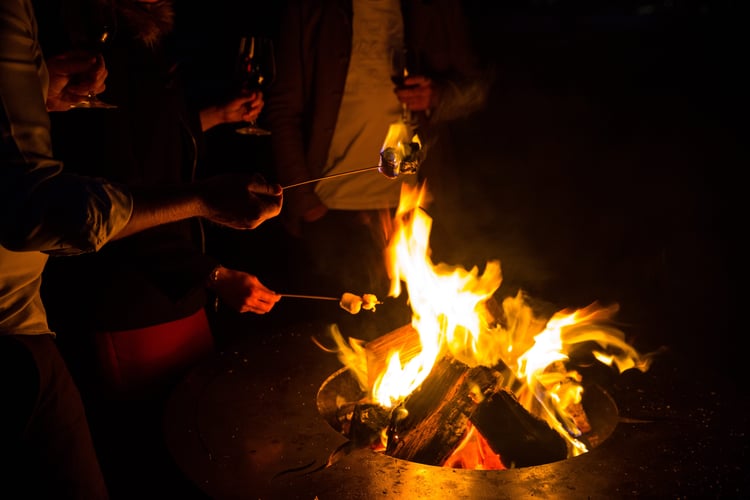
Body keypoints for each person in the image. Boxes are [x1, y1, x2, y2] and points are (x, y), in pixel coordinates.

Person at [0, 0, 282, 498]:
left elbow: (154, 137)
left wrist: (215, 115)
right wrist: (209, 260)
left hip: (157, 292)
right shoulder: (93, 31)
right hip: (123, 298)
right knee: (154, 458)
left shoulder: (139, 43)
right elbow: (69, 201)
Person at [265, 0, 490, 337]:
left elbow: (475, 88)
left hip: (412, 210)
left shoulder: (433, 8)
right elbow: (282, 107)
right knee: (332, 350)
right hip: (330, 210)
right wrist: (304, 201)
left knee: (415, 345)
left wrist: (438, 96)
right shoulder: (312, 9)